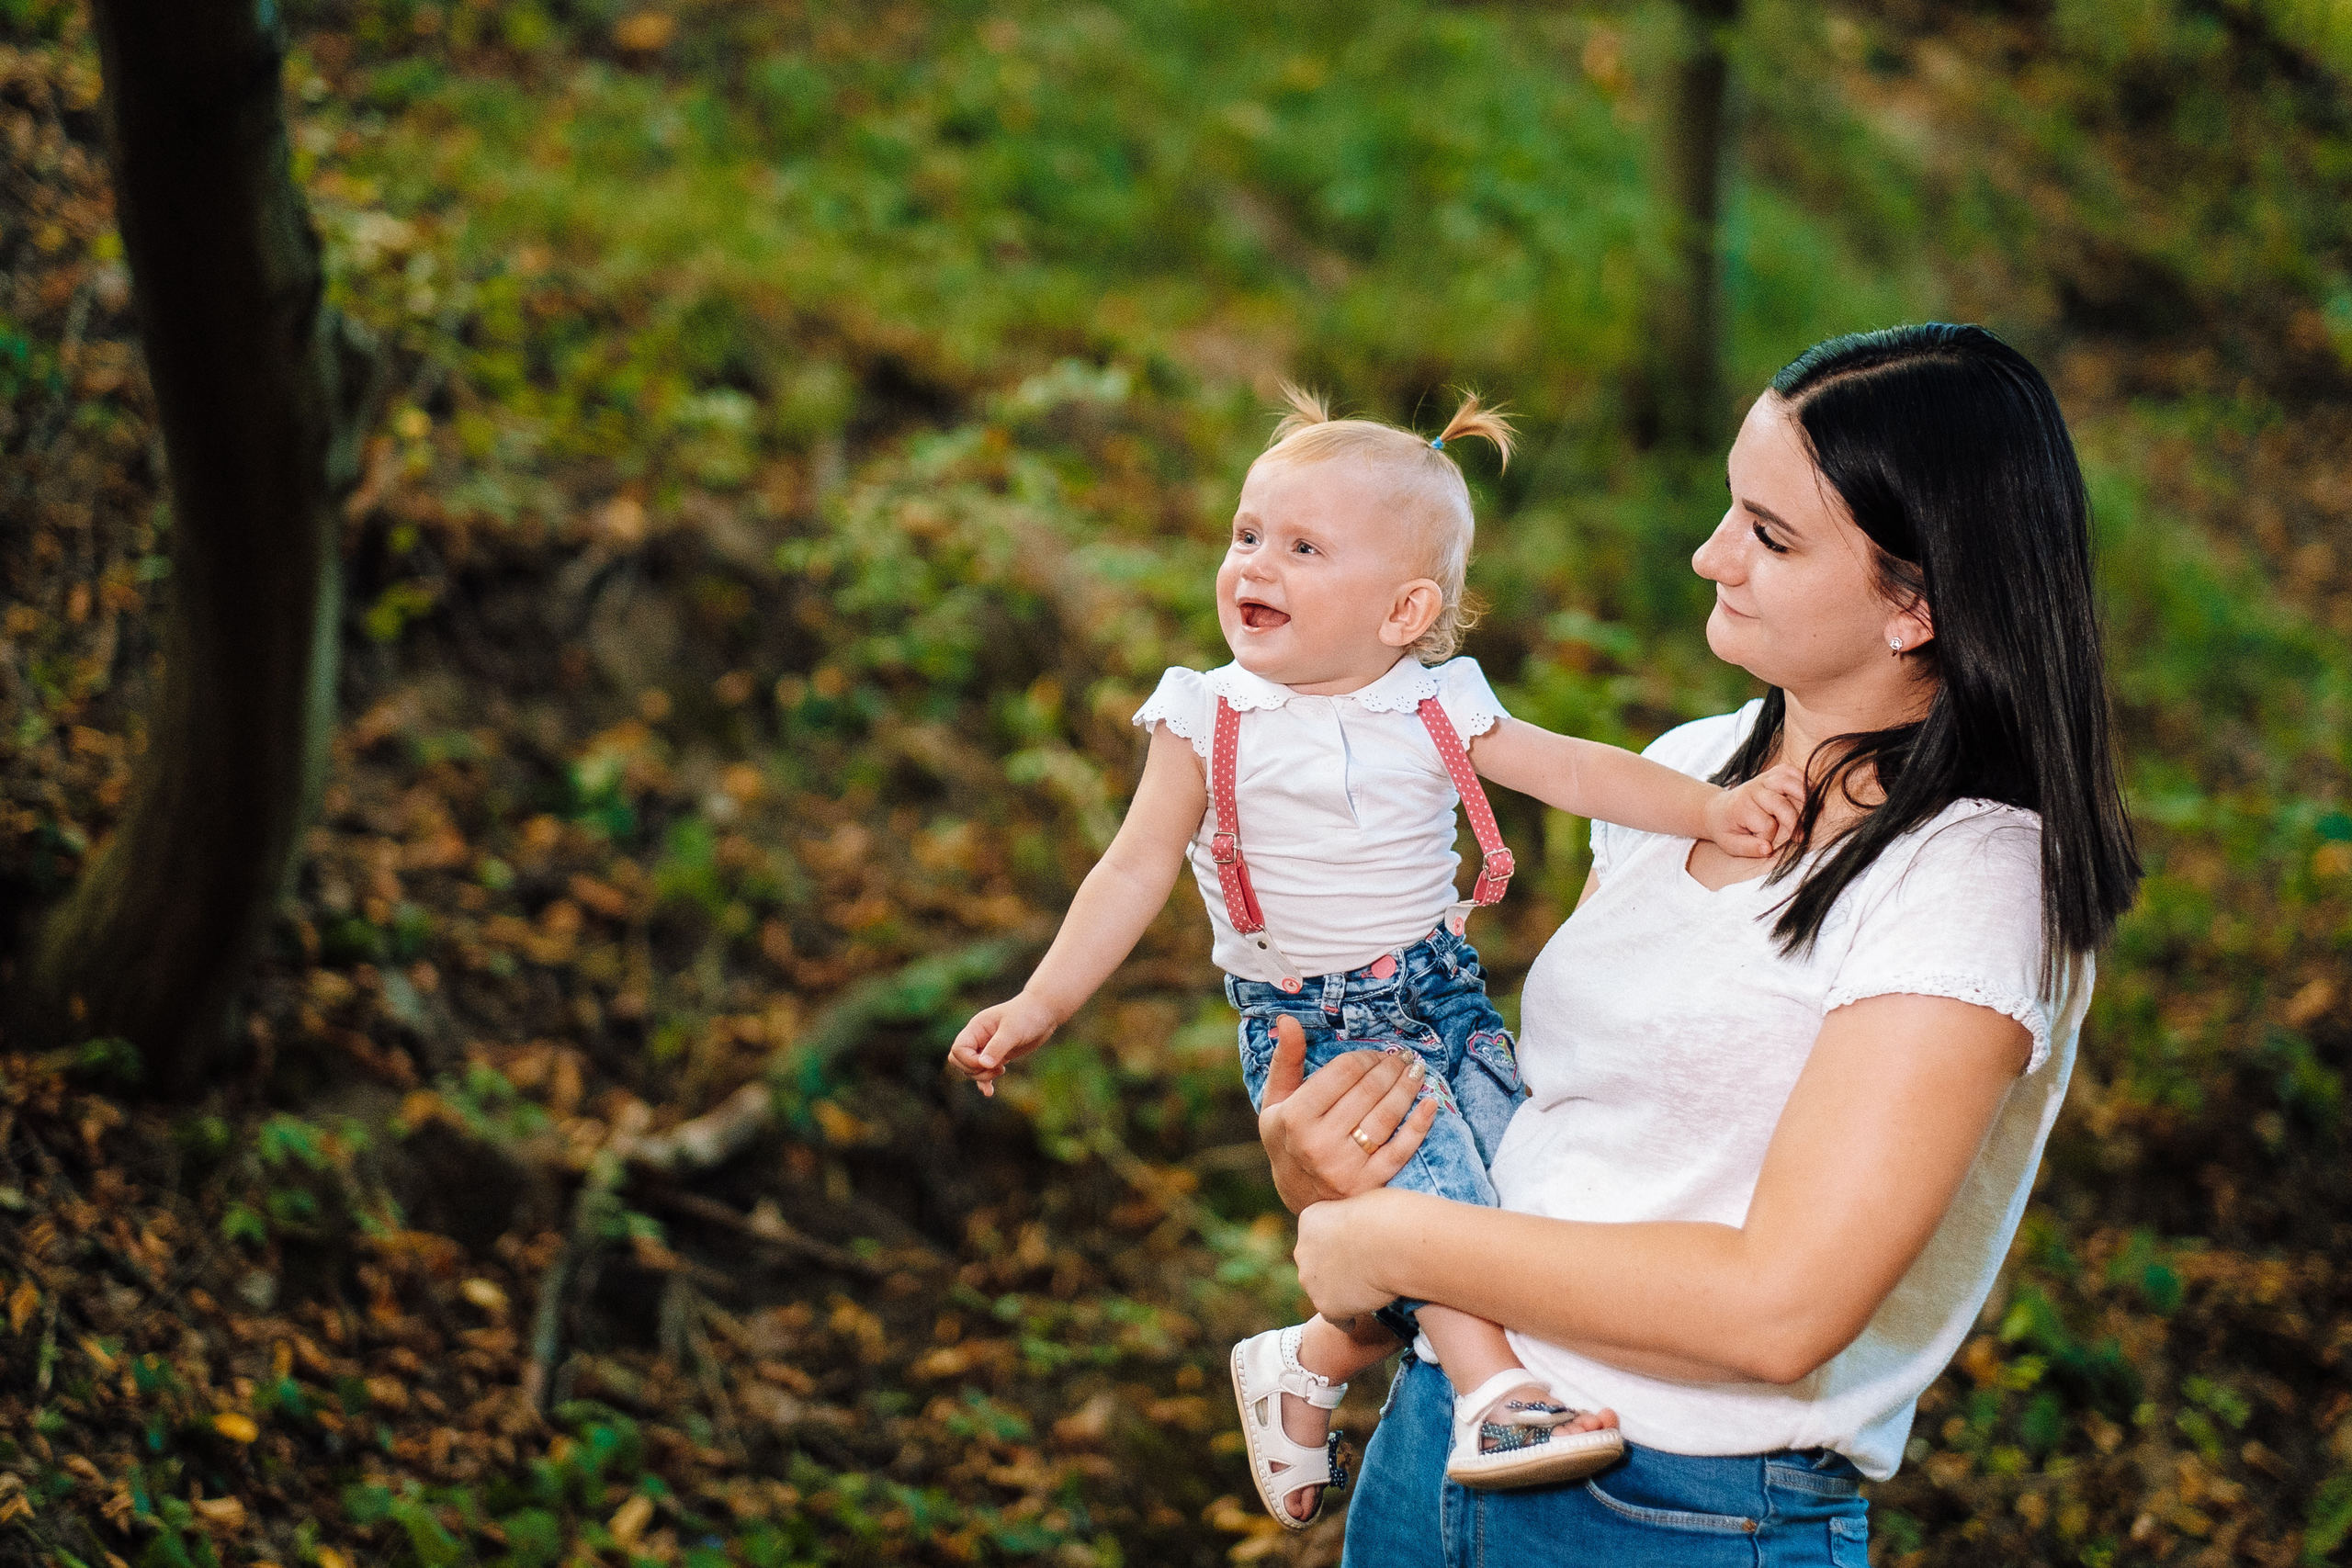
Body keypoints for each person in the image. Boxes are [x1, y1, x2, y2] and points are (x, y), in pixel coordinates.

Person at [1260, 323, 2143, 1564]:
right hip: (1445, 1434)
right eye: (1732, 507)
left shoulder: (1973, 880)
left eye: (1771, 536)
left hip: (1682, 1507)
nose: (1707, 554)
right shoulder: (1686, 768)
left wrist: (1391, 1240)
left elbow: (1781, 1305)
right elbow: (1583, 1141)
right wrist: (1341, 1159)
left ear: (1920, 602)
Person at [945, 386, 1806, 1529]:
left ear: (1405, 610)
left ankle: (1309, 1362)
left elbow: (1579, 772)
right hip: (1317, 1020)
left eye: (1303, 547)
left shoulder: (1438, 703)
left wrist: (1707, 809)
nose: (1256, 564)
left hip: (1440, 993)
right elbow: (1133, 867)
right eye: (1248, 535)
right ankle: (1493, 1392)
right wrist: (1043, 998)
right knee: (1434, 1190)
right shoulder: (1206, 717)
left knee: (1516, 1188)